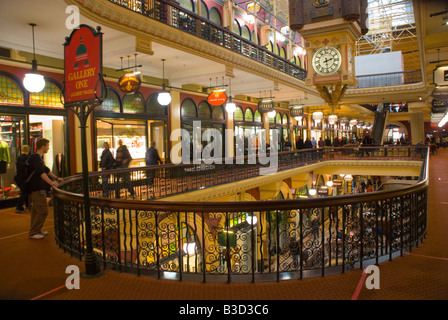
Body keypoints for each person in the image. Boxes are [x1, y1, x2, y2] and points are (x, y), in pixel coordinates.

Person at [27, 138, 63, 239]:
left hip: (35, 187)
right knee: (43, 210)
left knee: (36, 210)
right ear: (43, 146)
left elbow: (46, 170)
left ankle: (35, 230)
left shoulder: (37, 157)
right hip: (37, 188)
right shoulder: (36, 158)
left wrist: (56, 178)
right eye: (47, 145)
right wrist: (51, 182)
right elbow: (41, 172)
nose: (48, 147)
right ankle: (34, 232)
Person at [14, 145, 31, 213]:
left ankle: (26, 205)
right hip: (25, 178)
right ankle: (19, 207)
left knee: (24, 191)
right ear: (28, 150)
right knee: (25, 192)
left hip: (19, 177)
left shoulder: (19, 158)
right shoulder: (28, 158)